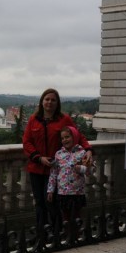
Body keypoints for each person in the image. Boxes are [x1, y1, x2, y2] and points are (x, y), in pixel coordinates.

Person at [22, 88, 93, 235]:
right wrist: (39, 158)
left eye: (53, 100)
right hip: (36, 168)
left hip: (56, 169)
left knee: (52, 202)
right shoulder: (33, 120)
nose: (49, 102)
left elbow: (78, 136)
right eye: (47, 99)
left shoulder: (64, 119)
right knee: (39, 202)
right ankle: (41, 231)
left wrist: (88, 150)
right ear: (42, 101)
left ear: (57, 103)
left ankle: (56, 231)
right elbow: (27, 142)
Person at [47, 126, 92, 244]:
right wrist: (50, 190)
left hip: (77, 192)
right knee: (65, 217)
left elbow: (90, 171)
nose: (65, 140)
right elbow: (53, 173)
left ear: (74, 137)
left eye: (67, 137)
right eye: (62, 138)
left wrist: (81, 168)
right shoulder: (58, 154)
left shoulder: (82, 153)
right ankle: (67, 237)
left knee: (77, 216)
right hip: (63, 192)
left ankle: (76, 237)